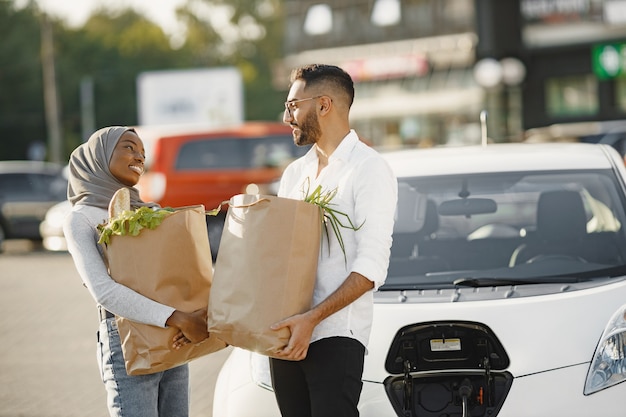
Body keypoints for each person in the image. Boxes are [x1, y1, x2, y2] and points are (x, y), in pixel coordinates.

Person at [269, 64, 398, 416]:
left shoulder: (368, 169)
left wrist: (311, 319)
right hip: (286, 334)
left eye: (293, 105)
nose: (286, 117)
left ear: (323, 104)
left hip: (336, 333)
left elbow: (371, 267)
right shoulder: (295, 174)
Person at [63, 126, 209, 417]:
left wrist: (200, 315)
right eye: (129, 147)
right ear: (99, 157)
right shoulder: (81, 219)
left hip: (175, 337)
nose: (139, 156)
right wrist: (177, 317)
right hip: (128, 338)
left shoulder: (152, 211)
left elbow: (183, 274)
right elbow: (103, 291)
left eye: (143, 151)